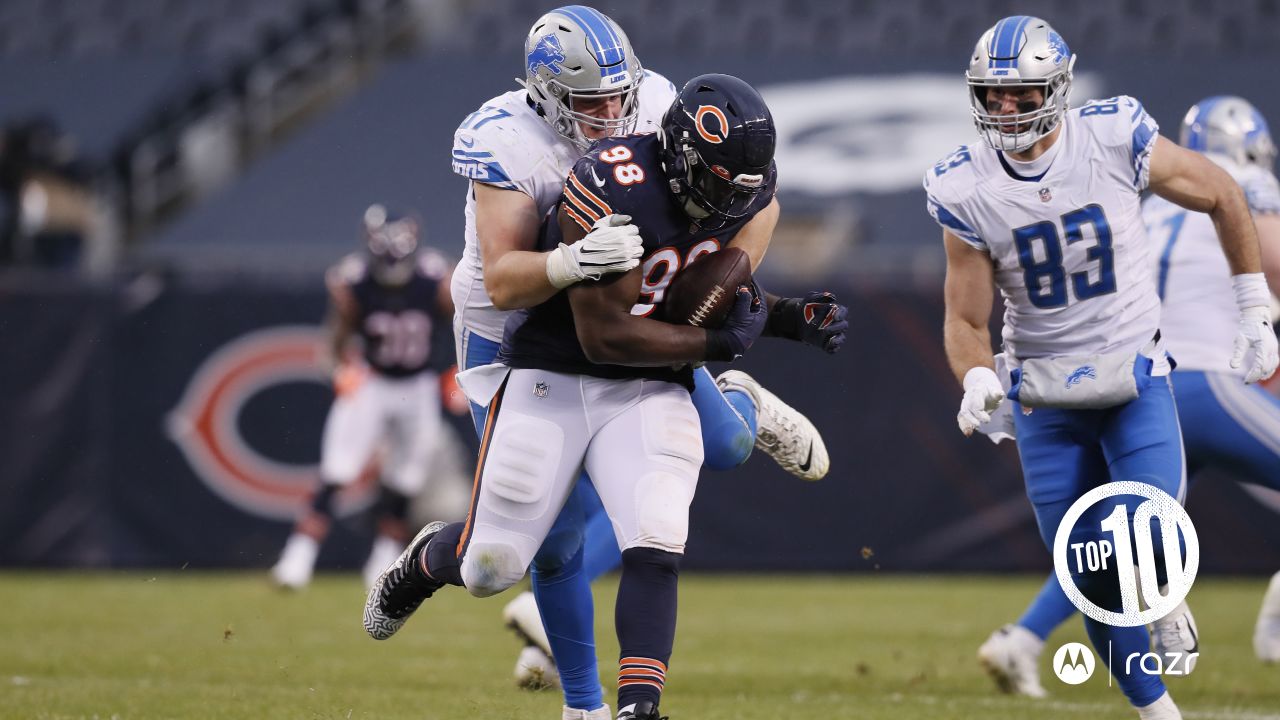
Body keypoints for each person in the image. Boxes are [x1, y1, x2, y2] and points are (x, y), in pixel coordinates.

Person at [366, 73, 837, 720]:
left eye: (742, 188)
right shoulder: (610, 184)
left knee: (657, 536)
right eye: (719, 182)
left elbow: (694, 281)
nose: (731, 203)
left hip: (649, 382)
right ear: (683, 158)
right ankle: (425, 562)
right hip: (554, 373)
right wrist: (715, 346)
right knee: (494, 565)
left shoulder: (739, 185)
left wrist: (782, 318)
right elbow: (604, 337)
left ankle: (636, 709)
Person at [926, 16, 1278, 719]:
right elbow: (965, 321)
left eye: (1020, 95)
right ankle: (1158, 711)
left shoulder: (1115, 134)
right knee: (1090, 578)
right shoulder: (963, 186)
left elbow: (1221, 193)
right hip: (1044, 395)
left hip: (1134, 376)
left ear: (1055, 89)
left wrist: (1252, 307)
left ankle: (1158, 586)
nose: (1003, 110)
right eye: (992, 96)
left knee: (1143, 528)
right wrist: (976, 376)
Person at [271, 205, 454, 590]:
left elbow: (462, 324)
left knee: (407, 477)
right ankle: (297, 558)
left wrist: (456, 372)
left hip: (418, 385)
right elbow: (335, 339)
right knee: (338, 469)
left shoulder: (436, 277)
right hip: (373, 381)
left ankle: (383, 560)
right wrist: (341, 371)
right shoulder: (352, 281)